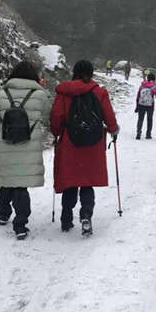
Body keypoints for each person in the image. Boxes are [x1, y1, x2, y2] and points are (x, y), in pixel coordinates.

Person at [0, 60, 50, 240]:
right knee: (21, 187)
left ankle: (3, 213)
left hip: (5, 146)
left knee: (8, 182)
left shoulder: (2, 94)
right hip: (28, 147)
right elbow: (49, 116)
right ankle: (21, 225)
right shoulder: (39, 95)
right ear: (34, 77)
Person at [50, 60, 119, 236]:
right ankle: (86, 215)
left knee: (71, 181)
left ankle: (66, 218)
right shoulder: (99, 92)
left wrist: (57, 132)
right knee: (87, 182)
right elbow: (108, 116)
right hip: (92, 143)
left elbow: (56, 116)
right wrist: (113, 130)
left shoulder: (64, 92)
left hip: (69, 143)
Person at [135, 72, 156, 139]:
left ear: (147, 78)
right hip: (150, 105)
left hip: (141, 104)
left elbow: (138, 95)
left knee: (140, 119)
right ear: (154, 79)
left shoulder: (142, 85)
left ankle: (138, 133)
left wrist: (137, 105)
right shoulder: (154, 86)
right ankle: (148, 134)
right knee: (149, 119)